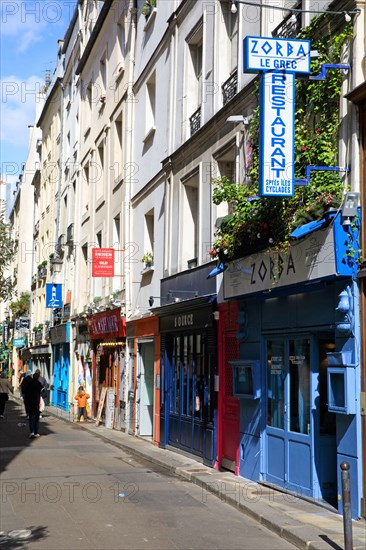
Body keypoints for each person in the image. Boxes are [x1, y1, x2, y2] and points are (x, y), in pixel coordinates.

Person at [24, 370, 43, 438]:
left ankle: (32, 431)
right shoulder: (39, 384)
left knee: (31, 418)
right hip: (36, 403)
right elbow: (42, 391)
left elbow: (26, 393)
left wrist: (26, 402)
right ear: (38, 377)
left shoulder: (30, 384)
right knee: (36, 419)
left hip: (30, 403)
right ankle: (36, 432)